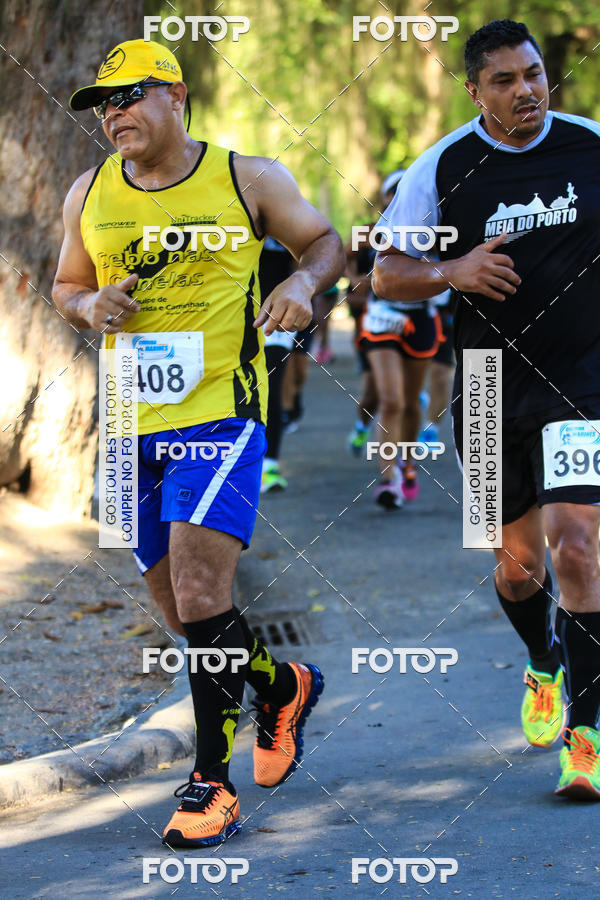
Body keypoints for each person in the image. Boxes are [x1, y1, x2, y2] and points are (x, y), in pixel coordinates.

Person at [52, 38, 344, 845]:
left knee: (205, 591)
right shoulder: (89, 191)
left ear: (176, 96)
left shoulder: (248, 178)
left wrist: (299, 281)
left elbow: (326, 242)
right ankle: (280, 684)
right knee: (181, 612)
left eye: (129, 95)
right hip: (128, 426)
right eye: (102, 103)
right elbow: (64, 285)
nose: (113, 113)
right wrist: (88, 307)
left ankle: (210, 785)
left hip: (220, 413)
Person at [374, 19, 600, 798]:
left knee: (577, 546)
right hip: (486, 384)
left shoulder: (589, 145)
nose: (526, 90)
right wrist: (454, 267)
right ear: (475, 91)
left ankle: (587, 732)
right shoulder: (443, 167)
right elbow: (387, 276)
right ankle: (543, 663)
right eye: (504, 80)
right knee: (515, 566)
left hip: (581, 379)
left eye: (534, 74)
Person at [360, 170, 446, 508]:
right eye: (391, 193)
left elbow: (445, 274)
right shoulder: (372, 234)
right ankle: (388, 479)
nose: (398, 199)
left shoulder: (436, 230)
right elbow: (352, 274)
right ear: (382, 199)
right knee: (391, 400)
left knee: (411, 403)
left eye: (403, 192)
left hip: (421, 318)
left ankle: (406, 462)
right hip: (381, 319)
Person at [258, 237, 297, 492]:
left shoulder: (284, 216)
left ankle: (269, 465)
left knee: (270, 387)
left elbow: (308, 258)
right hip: (233, 315)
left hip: (276, 317)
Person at [345, 222, 378, 455]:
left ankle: (398, 461)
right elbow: (342, 257)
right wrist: (355, 278)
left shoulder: (422, 229)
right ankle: (361, 426)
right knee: (373, 393)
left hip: (412, 324)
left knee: (398, 397)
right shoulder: (369, 230)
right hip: (371, 326)